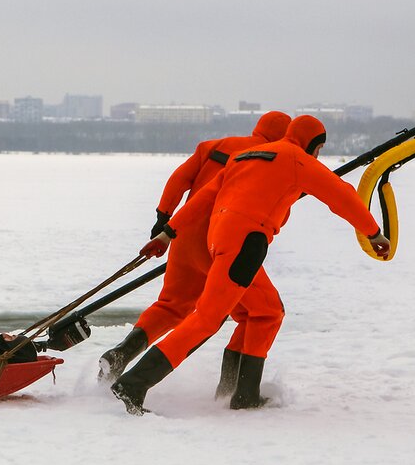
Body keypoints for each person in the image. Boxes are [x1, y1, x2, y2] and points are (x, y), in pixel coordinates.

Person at [111, 115, 390, 415]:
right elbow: (342, 196)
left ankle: (240, 393)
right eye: (318, 149)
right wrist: (373, 232)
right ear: (312, 143)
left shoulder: (244, 156)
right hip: (246, 242)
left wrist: (168, 233)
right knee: (206, 318)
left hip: (217, 237)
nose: (318, 155)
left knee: (266, 312)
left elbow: (204, 197)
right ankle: (134, 384)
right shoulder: (298, 159)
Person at [98, 111, 292, 384]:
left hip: (183, 235)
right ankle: (234, 391)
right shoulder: (272, 159)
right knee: (260, 312)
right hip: (221, 242)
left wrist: (163, 221)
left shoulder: (213, 147)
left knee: (171, 306)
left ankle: (122, 353)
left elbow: (179, 179)